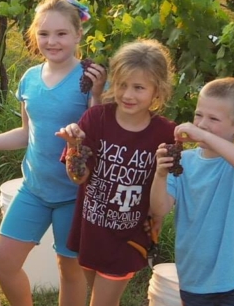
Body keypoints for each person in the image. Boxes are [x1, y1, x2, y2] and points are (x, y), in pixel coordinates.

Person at [0, 0, 105, 306]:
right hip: (34, 189)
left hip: (75, 196)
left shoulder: (89, 82)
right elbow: (25, 134)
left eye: (62, 33)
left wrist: (98, 95)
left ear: (78, 35)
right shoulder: (30, 79)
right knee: (3, 263)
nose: (52, 41)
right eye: (44, 33)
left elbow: (98, 140)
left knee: (69, 271)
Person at [56, 39, 177, 306]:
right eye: (122, 85)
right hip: (91, 231)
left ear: (158, 90)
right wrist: (74, 146)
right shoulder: (95, 119)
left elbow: (168, 190)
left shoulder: (165, 134)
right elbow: (79, 177)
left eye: (139, 88)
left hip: (128, 238)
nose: (127, 95)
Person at [151, 77, 234, 305]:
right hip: (193, 278)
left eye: (213, 118)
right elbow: (159, 209)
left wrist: (204, 136)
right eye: (198, 115)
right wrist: (160, 175)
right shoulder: (185, 161)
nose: (201, 124)